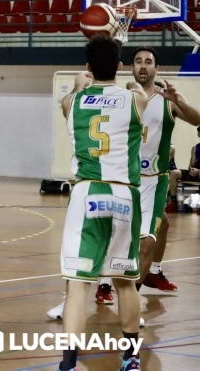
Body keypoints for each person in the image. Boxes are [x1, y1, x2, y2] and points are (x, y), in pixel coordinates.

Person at [55, 35, 148, 371]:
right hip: (124, 193)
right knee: (124, 282)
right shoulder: (135, 99)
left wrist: (85, 80)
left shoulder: (73, 102)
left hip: (87, 192)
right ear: (122, 66)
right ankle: (131, 358)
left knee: (77, 285)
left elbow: (74, 91)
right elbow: (136, 90)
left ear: (88, 67)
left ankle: (68, 364)